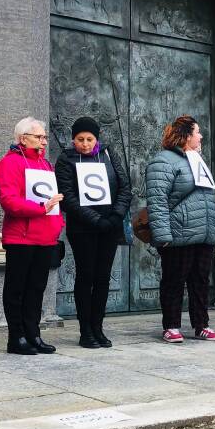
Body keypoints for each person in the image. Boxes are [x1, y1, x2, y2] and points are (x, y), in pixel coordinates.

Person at [55, 116, 132, 349]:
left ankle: (98, 327)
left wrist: (115, 216)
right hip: (83, 229)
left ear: (96, 139)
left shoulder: (108, 155)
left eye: (89, 139)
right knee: (86, 276)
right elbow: (68, 198)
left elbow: (125, 187)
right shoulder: (66, 160)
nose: (85, 144)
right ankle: (85, 330)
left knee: (102, 278)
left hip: (110, 226)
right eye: (80, 139)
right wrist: (95, 220)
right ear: (73, 139)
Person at [145, 115, 215, 343]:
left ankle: (201, 325)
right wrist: (163, 236)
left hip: (203, 233)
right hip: (179, 233)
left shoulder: (197, 159)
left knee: (200, 281)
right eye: (197, 132)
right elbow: (157, 201)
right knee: (174, 281)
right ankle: (171, 326)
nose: (201, 136)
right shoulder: (163, 161)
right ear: (186, 135)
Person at [0, 117, 64, 355]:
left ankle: (33, 334)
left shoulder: (45, 165)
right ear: (23, 138)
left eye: (45, 137)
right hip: (21, 237)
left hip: (45, 236)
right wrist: (41, 209)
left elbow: (52, 199)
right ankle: (16, 337)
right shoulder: (10, 163)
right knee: (16, 290)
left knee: (36, 289)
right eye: (39, 137)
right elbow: (9, 201)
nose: (44, 141)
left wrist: (57, 221)